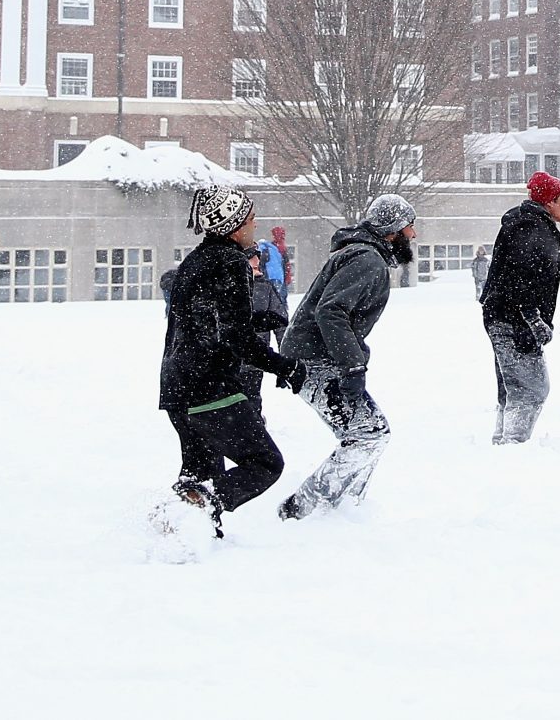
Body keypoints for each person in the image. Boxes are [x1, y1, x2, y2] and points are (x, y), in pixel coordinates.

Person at [161, 186, 304, 531]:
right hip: (211, 387)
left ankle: (178, 532)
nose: (255, 225)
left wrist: (258, 320)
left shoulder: (195, 261)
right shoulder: (231, 263)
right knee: (265, 463)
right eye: (251, 219)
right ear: (234, 225)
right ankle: (196, 510)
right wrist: (284, 366)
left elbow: (207, 323)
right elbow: (236, 338)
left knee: (199, 473)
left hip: (177, 389)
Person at [280, 193, 416, 519]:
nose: (414, 233)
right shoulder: (368, 260)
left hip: (314, 357)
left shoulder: (362, 254)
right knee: (368, 434)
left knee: (367, 434)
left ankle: (343, 511)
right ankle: (303, 512)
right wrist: (352, 365)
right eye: (410, 226)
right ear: (393, 230)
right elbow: (331, 311)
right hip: (315, 361)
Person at [479, 170, 560, 443]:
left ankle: (503, 440)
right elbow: (521, 276)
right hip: (513, 317)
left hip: (500, 313)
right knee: (531, 388)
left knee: (512, 386)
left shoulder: (523, 221)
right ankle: (512, 445)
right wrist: (534, 318)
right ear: (550, 202)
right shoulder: (534, 229)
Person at [241, 243, 291, 398]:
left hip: (254, 361)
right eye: (252, 258)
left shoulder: (265, 288)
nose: (257, 262)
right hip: (227, 363)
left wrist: (285, 362)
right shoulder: (225, 286)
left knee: (251, 402)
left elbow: (281, 326)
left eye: (258, 259)